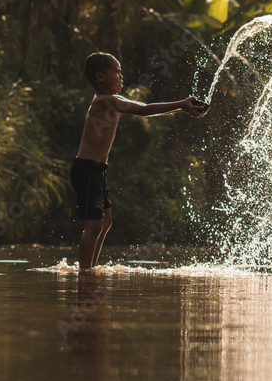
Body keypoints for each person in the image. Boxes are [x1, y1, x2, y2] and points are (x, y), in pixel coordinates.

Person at [71, 52, 207, 271]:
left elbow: (146, 109)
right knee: (94, 225)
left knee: (105, 224)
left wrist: (181, 107)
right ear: (100, 76)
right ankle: (84, 274)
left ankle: (91, 270)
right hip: (86, 170)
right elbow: (144, 110)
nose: (121, 76)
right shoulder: (105, 101)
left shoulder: (113, 100)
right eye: (117, 72)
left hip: (97, 170)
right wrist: (181, 104)